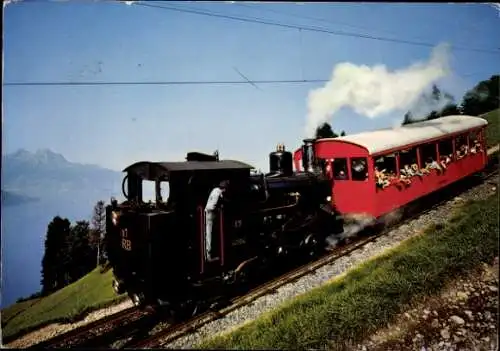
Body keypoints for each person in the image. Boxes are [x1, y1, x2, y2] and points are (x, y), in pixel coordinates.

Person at [204, 180, 228, 261]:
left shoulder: (215, 190)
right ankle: (208, 256)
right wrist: (218, 209)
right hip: (210, 214)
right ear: (224, 188)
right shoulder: (217, 193)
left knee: (209, 233)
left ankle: (209, 254)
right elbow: (212, 206)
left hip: (209, 213)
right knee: (209, 234)